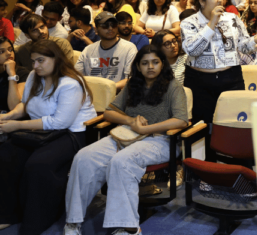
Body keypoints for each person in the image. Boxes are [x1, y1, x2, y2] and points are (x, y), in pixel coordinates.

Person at [64, 45, 188, 235]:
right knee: (84, 156)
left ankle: (128, 227)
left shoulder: (173, 87)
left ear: (162, 64)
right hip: (126, 134)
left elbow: (181, 120)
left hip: (160, 139)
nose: (150, 67)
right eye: (145, 63)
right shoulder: (133, 85)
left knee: (122, 161)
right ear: (138, 67)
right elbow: (109, 112)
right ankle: (73, 221)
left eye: (155, 62)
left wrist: (146, 128)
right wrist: (131, 120)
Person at [0, 40, 95, 234]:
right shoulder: (33, 75)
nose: (35, 66)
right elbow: (26, 104)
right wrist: (8, 116)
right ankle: (8, 214)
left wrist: (17, 125)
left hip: (71, 134)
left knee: (38, 164)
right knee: (4, 156)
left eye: (40, 60)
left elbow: (59, 122)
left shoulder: (71, 83)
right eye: (33, 61)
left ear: (56, 60)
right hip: (41, 132)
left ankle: (36, 221)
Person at [181, 0, 257, 140]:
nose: (220, 0)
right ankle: (206, 162)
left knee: (234, 122)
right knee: (203, 127)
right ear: (201, 1)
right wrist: (212, 23)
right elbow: (193, 50)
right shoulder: (189, 22)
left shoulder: (232, 18)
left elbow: (242, 47)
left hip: (231, 78)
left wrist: (256, 40)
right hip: (200, 82)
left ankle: (234, 159)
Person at [75, 12, 138, 90]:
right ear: (96, 29)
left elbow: (130, 78)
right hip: (92, 94)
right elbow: (76, 76)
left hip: (116, 96)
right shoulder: (88, 50)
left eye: (113, 25)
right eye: (105, 25)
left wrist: (107, 89)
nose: (110, 28)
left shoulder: (129, 48)